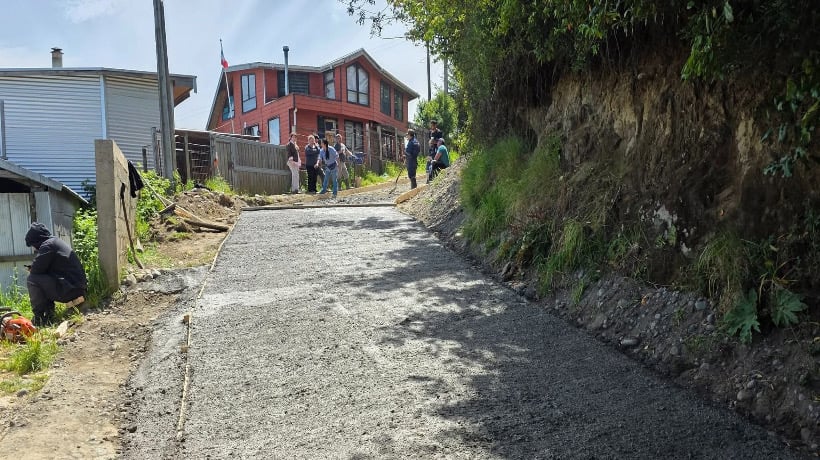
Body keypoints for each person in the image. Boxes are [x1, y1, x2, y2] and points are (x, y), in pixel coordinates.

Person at [24, 222, 88, 327]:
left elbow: (36, 270)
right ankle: (48, 314)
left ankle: (41, 318)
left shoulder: (47, 245)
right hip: (75, 287)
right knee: (42, 279)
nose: (35, 249)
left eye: (33, 245)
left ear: (37, 240)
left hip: (71, 290)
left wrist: (32, 268)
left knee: (32, 279)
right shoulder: (54, 243)